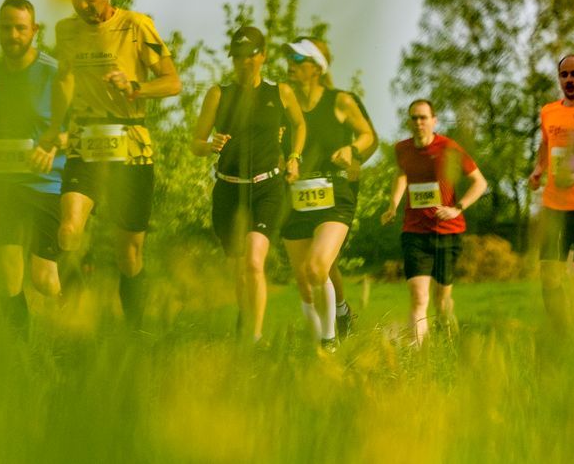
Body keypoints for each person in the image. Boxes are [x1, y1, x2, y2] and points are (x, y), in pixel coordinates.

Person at [33, 0, 180, 332]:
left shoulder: (136, 26)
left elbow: (172, 82)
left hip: (130, 144)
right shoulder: (66, 31)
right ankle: (75, 313)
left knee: (129, 253)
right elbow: (65, 78)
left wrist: (135, 87)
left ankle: (134, 330)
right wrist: (54, 127)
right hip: (85, 143)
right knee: (68, 229)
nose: (83, 5)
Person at [190, 26, 304, 343]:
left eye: (249, 56)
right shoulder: (218, 94)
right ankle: (246, 318)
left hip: (266, 187)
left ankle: (253, 338)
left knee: (254, 261)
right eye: (237, 57)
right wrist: (209, 143)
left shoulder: (279, 92)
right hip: (228, 189)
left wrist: (294, 156)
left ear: (262, 56)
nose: (243, 63)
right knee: (238, 269)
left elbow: (298, 123)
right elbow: (195, 143)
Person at [0, 0, 63, 336]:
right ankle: (21, 345)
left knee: (43, 279)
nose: (13, 35)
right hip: (1, 184)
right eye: (6, 28)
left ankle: (64, 329)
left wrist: (56, 143)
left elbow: (75, 126)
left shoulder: (54, 73)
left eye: (20, 28)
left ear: (34, 30)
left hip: (46, 184)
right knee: (8, 273)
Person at [280, 36, 377, 345]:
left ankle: (329, 343)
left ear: (316, 68)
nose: (290, 66)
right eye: (289, 60)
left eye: (297, 60)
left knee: (316, 265)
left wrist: (352, 150)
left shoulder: (340, 101)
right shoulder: (284, 105)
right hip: (296, 197)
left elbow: (368, 136)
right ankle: (336, 316)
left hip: (335, 194)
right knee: (308, 279)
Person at [382, 98, 488, 346]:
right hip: (414, 232)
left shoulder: (449, 148)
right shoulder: (403, 149)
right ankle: (419, 357)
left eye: (423, 117)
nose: (418, 123)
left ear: (434, 121)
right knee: (419, 299)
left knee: (442, 303)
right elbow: (401, 174)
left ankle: (448, 347)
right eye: (414, 118)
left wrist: (456, 208)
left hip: (447, 233)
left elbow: (480, 182)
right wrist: (393, 204)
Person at [528, 53, 574, 331]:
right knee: (549, 273)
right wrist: (538, 169)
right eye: (564, 75)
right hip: (554, 208)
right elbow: (546, 144)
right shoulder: (548, 111)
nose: (569, 80)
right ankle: (560, 331)